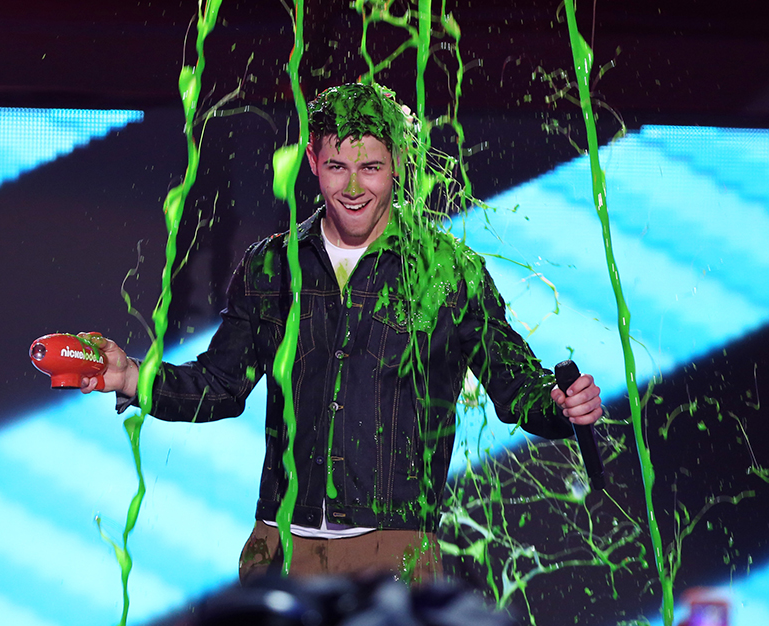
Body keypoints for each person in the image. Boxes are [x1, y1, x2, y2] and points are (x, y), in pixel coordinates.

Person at [79, 82, 602, 584]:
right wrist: (130, 377)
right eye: (337, 167)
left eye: (371, 168)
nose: (353, 188)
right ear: (312, 162)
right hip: (279, 546)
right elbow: (219, 385)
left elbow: (518, 389)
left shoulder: (447, 271)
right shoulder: (271, 266)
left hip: (394, 551)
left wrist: (562, 406)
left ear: (399, 162)